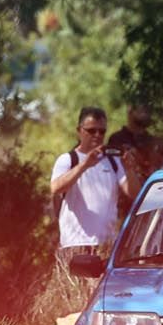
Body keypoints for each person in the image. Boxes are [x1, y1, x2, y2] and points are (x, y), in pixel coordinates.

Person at [50, 106, 130, 298]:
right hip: (76, 243)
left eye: (102, 131)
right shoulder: (68, 159)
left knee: (102, 301)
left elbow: (132, 192)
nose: (97, 135)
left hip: (106, 245)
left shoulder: (112, 161)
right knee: (74, 301)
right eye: (91, 130)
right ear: (79, 131)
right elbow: (56, 188)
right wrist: (85, 165)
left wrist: (130, 167)